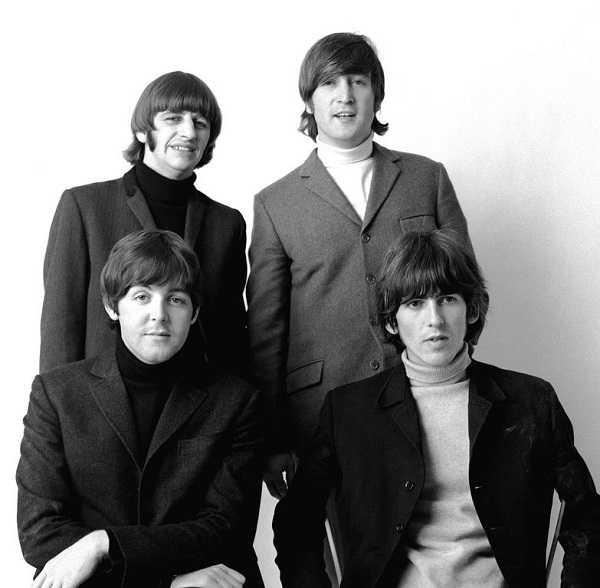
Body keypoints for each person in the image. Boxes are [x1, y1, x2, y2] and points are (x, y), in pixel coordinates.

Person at [272, 229, 600, 587]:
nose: (435, 319)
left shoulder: (530, 400)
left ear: (471, 309)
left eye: (447, 299)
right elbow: (296, 521)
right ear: (391, 320)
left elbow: (586, 515)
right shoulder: (349, 411)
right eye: (415, 303)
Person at [246, 32, 474, 499]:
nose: (345, 95)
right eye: (330, 83)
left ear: (377, 94)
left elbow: (466, 290)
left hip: (428, 398)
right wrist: (272, 437)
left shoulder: (427, 178)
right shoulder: (275, 203)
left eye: (358, 81)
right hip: (320, 412)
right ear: (309, 101)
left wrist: (447, 375)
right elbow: (266, 332)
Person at [18, 230, 264, 588]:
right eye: (142, 296)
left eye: (175, 299)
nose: (158, 315)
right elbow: (39, 531)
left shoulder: (237, 400)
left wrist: (105, 544)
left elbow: (227, 528)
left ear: (194, 312)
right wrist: (164, 581)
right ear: (112, 306)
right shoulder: (56, 394)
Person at [41, 71, 247, 375]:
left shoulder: (227, 223)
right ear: (141, 131)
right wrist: (58, 399)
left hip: (199, 396)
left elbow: (231, 333)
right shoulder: (84, 206)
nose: (189, 132)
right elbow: (61, 322)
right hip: (104, 394)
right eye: (173, 119)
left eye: (200, 123)